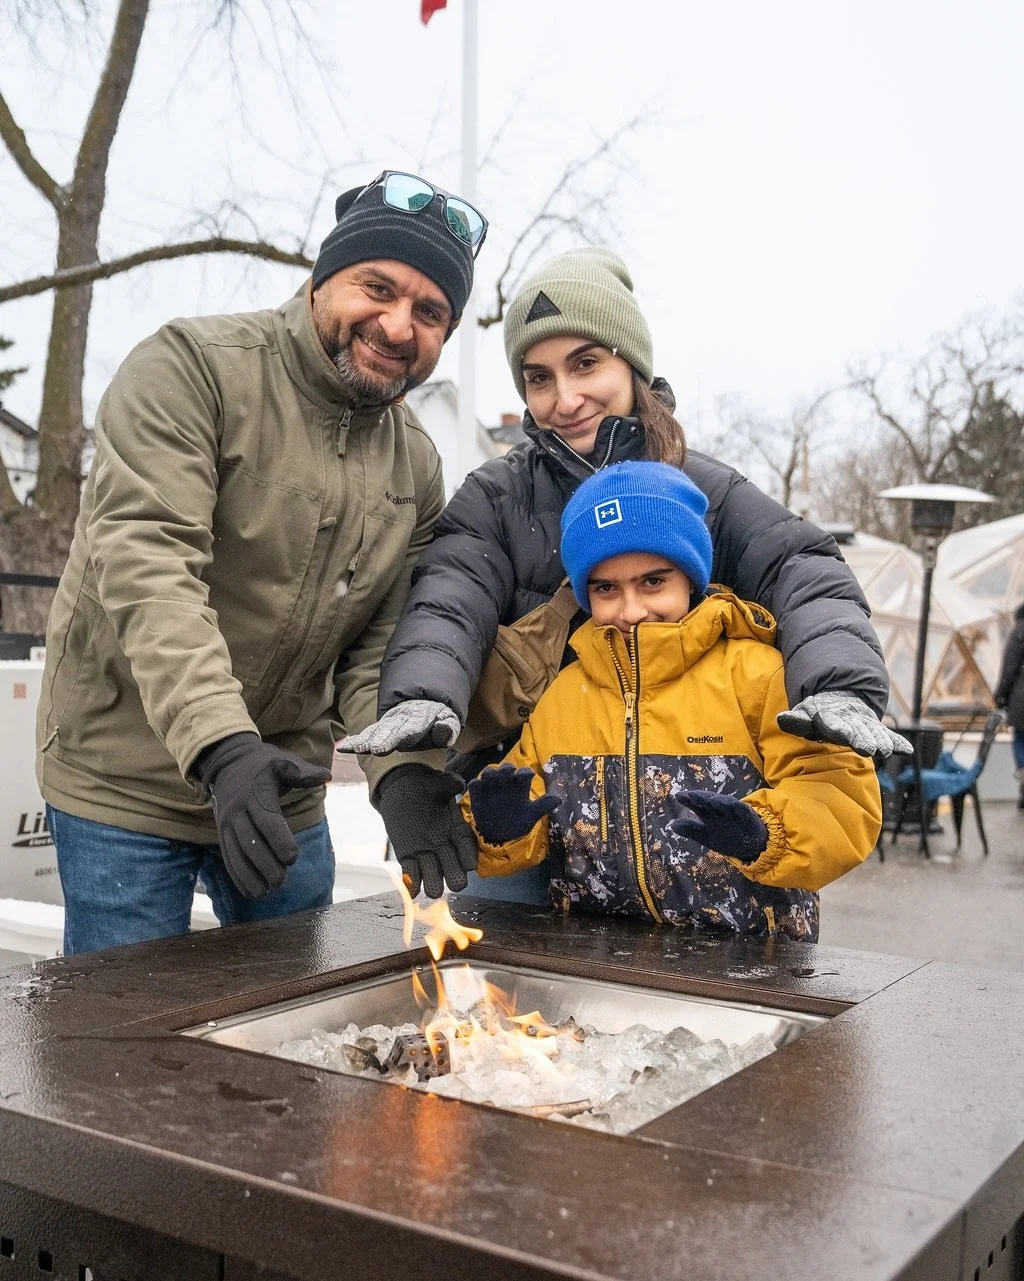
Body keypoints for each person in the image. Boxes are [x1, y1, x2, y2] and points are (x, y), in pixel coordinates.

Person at [340, 246, 908, 902]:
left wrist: (840, 686)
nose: (566, 397)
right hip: (525, 814)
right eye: (539, 377)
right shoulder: (496, 498)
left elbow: (802, 567)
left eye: (586, 363)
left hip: (693, 820)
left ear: (631, 363)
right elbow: (447, 601)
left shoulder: (701, 490)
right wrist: (421, 697)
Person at [36, 170, 487, 954]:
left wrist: (405, 772)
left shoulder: (415, 466)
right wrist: (220, 744)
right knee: (120, 1038)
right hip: (125, 773)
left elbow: (383, 646)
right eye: (375, 287)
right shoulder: (190, 369)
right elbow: (149, 565)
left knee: (295, 1019)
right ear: (320, 280)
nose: (396, 324)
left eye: (429, 311)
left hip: (284, 779)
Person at [460, 462, 881, 939]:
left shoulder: (759, 675)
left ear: (690, 576)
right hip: (596, 963)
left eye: (653, 581)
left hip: (757, 968)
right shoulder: (563, 695)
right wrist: (499, 831)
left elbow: (841, 799)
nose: (632, 610)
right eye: (606, 589)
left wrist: (765, 836)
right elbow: (527, 815)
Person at [995, 602, 1024, 810]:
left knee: (1021, 742)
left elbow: (1009, 668)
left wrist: (1000, 697)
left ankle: (1023, 779)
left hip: (1021, 700)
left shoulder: (1019, 632)